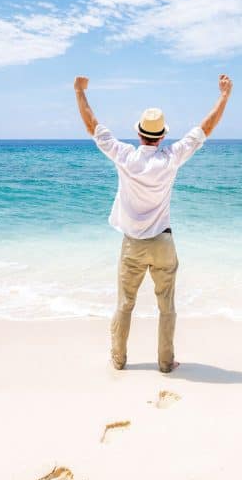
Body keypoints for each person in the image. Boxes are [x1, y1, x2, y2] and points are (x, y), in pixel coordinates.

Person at [74, 74, 233, 373]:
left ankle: (118, 360)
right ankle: (165, 362)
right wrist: (224, 95)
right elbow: (205, 129)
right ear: (161, 136)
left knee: (124, 304)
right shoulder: (171, 158)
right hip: (163, 242)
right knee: (167, 307)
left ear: (139, 134)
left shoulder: (125, 156)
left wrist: (79, 91)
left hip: (133, 244)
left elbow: (91, 125)